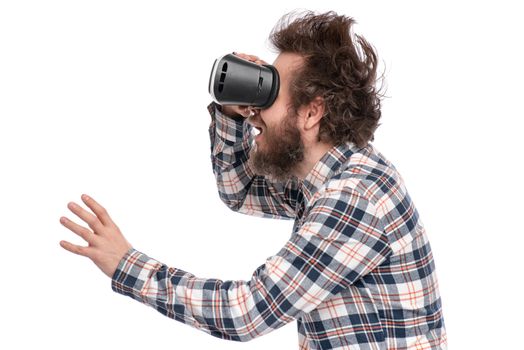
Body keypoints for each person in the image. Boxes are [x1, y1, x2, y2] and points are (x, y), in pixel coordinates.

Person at [59, 10, 447, 349]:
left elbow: (246, 312)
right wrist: (230, 115)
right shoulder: (331, 175)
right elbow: (240, 191)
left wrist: (127, 265)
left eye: (269, 95)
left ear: (312, 113)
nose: (255, 112)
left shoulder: (354, 197)